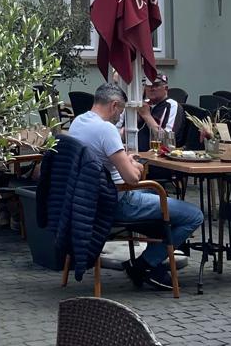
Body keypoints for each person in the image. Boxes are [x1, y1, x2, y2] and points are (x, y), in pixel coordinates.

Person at [67, 81, 203, 292]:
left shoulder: (78, 122)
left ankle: (153, 256)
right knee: (194, 215)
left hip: (88, 201)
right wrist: (135, 166)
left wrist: (124, 160)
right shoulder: (106, 129)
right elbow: (131, 178)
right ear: (114, 105)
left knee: (158, 199)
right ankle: (144, 265)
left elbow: (105, 159)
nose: (119, 115)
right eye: (120, 110)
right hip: (117, 201)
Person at [138, 75, 181, 152]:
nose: (152, 88)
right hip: (133, 152)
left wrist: (147, 116)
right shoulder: (141, 105)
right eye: (148, 85)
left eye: (156, 85)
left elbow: (168, 142)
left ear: (166, 88)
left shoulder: (171, 105)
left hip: (156, 155)